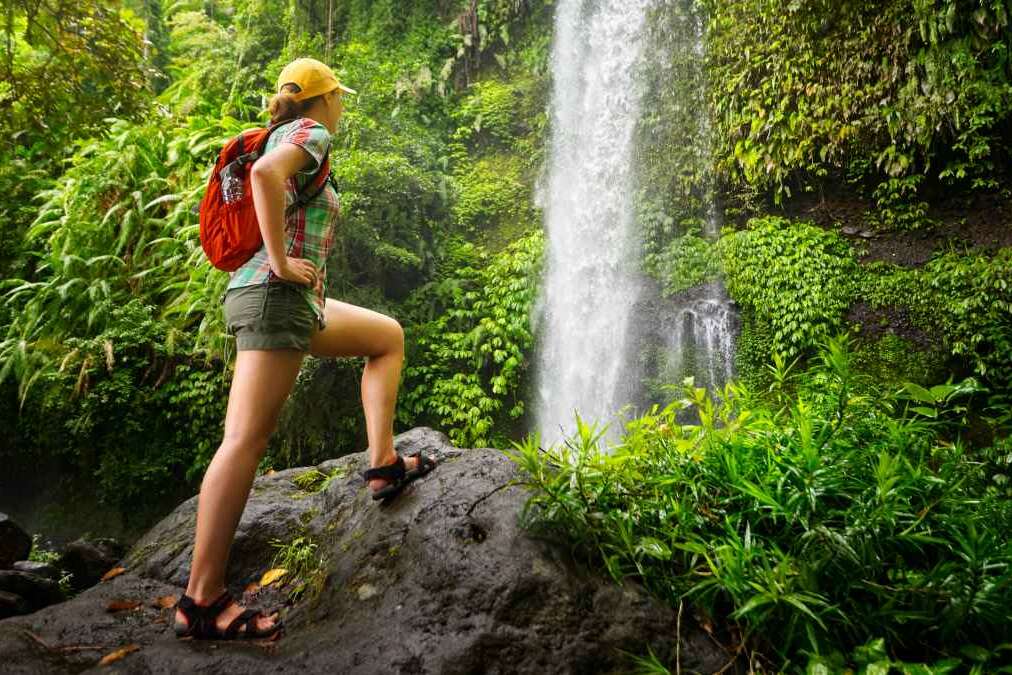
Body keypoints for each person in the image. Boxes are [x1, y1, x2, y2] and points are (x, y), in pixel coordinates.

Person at [172, 58, 436, 641]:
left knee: (385, 336)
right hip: (274, 296)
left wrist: (298, 272)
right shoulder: (309, 134)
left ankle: (382, 465)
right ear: (323, 99)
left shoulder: (280, 132)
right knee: (243, 441)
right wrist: (287, 262)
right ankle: (201, 599)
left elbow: (273, 186)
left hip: (285, 300)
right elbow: (266, 176)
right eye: (339, 96)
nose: (342, 106)